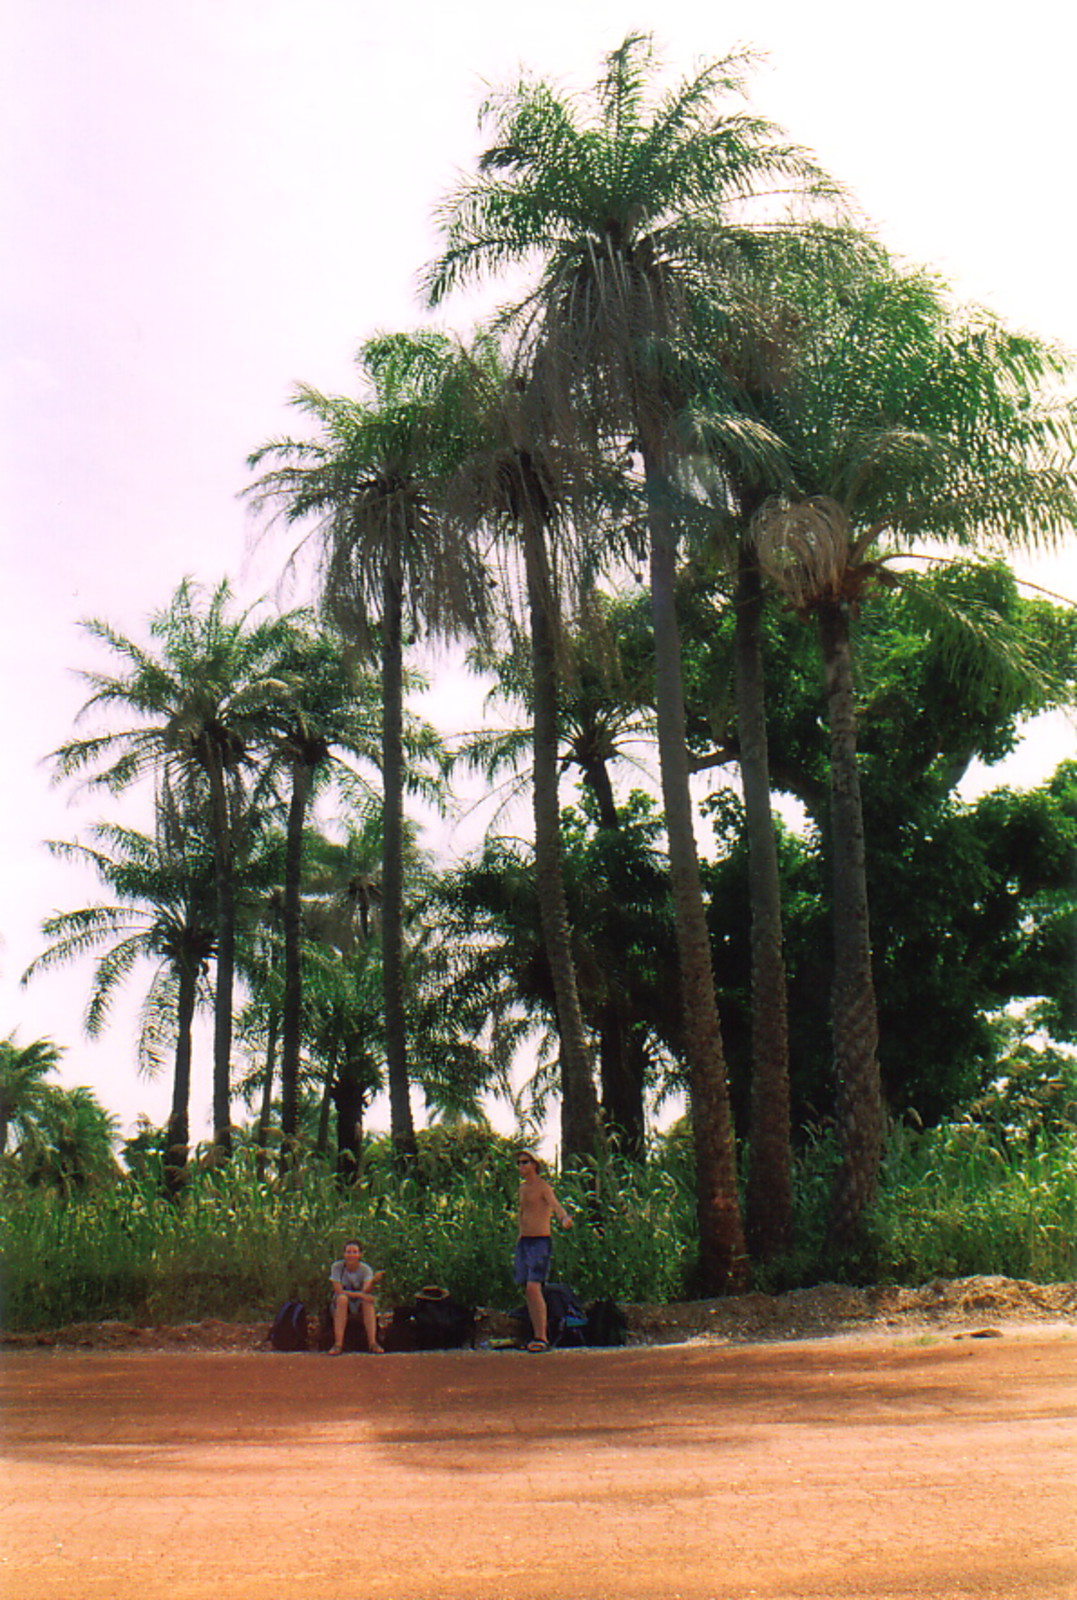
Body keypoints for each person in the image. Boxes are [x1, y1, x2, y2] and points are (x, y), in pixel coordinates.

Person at [514, 1149, 572, 1352]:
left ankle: (542, 1337)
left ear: (534, 1165)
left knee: (533, 1287)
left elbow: (556, 1206)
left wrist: (564, 1218)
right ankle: (536, 1334)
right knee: (528, 1291)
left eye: (525, 1162)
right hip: (524, 1242)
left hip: (540, 1242)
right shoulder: (522, 1189)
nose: (521, 1166)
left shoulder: (542, 1187)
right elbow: (523, 1213)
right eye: (519, 1163)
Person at [328, 1239, 384, 1355]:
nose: (351, 1255)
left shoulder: (365, 1269)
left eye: (354, 1252)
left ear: (360, 1254)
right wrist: (361, 1295)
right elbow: (338, 1290)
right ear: (344, 1254)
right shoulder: (337, 1267)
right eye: (349, 1252)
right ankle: (338, 1344)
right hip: (341, 1300)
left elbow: (366, 1290)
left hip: (358, 1301)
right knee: (342, 1299)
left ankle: (373, 1343)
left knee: (367, 1302)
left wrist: (373, 1281)